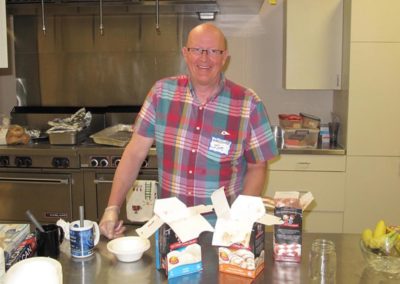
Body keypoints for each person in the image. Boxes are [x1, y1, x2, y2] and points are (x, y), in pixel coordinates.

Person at [99, 23, 278, 239]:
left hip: (222, 231)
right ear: (185, 53)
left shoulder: (248, 104)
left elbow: (257, 166)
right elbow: (134, 154)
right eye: (197, 50)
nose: (204, 58)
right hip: (171, 229)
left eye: (214, 51)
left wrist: (240, 220)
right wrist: (112, 209)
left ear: (225, 57)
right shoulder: (161, 93)